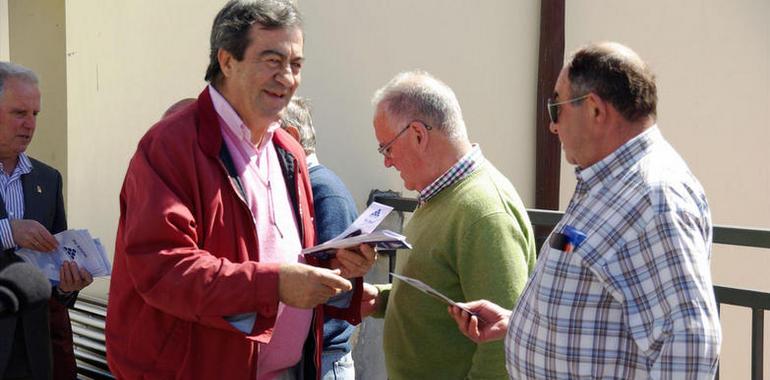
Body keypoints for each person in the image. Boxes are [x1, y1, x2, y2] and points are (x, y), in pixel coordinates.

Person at [105, 1, 375, 379]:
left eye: (296, 64)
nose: (287, 77)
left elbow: (288, 259)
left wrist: (339, 265)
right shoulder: (170, 146)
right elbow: (163, 268)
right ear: (227, 61)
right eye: (271, 60)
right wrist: (275, 284)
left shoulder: (288, 150)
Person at [450, 42, 722, 379]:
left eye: (556, 109)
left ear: (595, 109)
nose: (553, 126)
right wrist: (518, 321)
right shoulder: (610, 182)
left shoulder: (653, 195)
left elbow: (689, 344)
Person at [361, 71, 537, 379]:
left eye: (386, 148)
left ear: (417, 134)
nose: (387, 161)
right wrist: (381, 298)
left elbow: (503, 347)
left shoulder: (483, 212)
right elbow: (444, 291)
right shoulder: (444, 196)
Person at [0, 61, 93, 380]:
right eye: (19, 113)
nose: (29, 124)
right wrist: (7, 231)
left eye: (35, 115)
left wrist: (68, 285)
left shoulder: (48, 179)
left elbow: (55, 258)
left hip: (34, 351)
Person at [280, 96, 359, 380]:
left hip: (323, 360)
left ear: (291, 137)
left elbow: (337, 283)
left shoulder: (324, 191)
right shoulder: (302, 186)